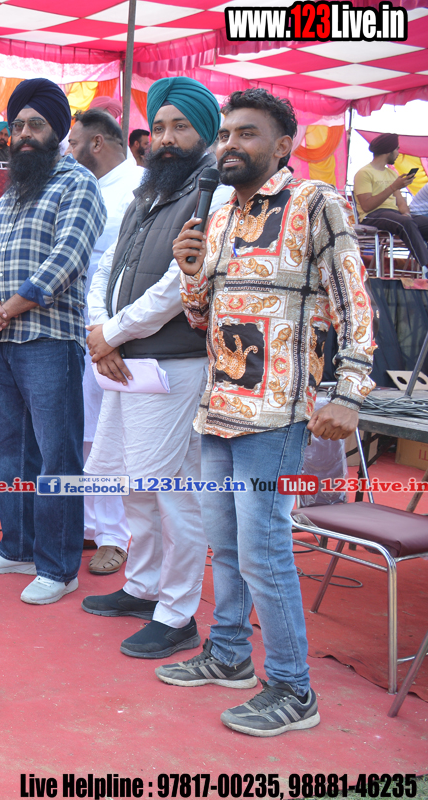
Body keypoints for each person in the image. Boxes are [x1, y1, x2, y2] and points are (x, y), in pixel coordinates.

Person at [166, 88, 374, 737]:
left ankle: (292, 687)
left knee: (264, 550)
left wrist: (349, 392)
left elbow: (354, 301)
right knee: (226, 547)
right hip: (217, 410)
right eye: (226, 134)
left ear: (283, 145)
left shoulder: (317, 203)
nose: (230, 144)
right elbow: (203, 318)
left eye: (246, 134)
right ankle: (229, 653)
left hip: (277, 414)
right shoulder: (220, 216)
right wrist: (190, 273)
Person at [83, 76, 233, 659]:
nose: (166, 139)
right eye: (160, 127)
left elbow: (179, 286)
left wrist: (112, 333)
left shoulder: (211, 192)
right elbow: (107, 268)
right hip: (124, 361)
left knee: (173, 493)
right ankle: (143, 587)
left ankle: (177, 614)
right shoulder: (148, 191)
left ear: (206, 134)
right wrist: (101, 332)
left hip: (174, 364)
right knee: (134, 485)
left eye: (181, 127)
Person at [0, 78, 107, 605]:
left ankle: (58, 566)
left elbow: (67, 260)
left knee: (56, 458)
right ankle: (18, 547)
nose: (24, 134)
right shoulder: (11, 192)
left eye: (35, 125)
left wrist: (3, 310)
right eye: (17, 126)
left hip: (50, 340)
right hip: (2, 341)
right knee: (7, 452)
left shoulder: (78, 185)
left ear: (58, 130)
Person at [66, 107, 143, 577]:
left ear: (97, 143)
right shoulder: (82, 186)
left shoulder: (140, 187)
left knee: (110, 436)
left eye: (74, 144)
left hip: (118, 334)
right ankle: (90, 524)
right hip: (75, 328)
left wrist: (110, 332)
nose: (68, 153)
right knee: (84, 431)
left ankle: (115, 535)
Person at [354, 133, 428, 268]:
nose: (398, 153)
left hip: (394, 215)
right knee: (405, 223)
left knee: (415, 221)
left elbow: (400, 202)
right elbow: (366, 206)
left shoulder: (391, 173)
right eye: (397, 149)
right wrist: (393, 187)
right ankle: (426, 266)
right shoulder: (364, 173)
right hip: (372, 215)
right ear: (389, 150)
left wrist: (406, 214)